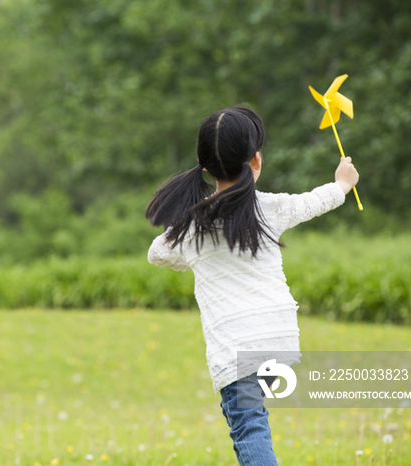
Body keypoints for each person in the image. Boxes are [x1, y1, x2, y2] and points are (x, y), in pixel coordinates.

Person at [145, 106, 359, 465]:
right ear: (256, 160)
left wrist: (195, 255)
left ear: (204, 165)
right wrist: (342, 183)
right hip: (279, 340)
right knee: (247, 423)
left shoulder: (194, 226)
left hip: (238, 348)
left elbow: (156, 253)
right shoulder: (270, 209)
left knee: (249, 429)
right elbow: (313, 202)